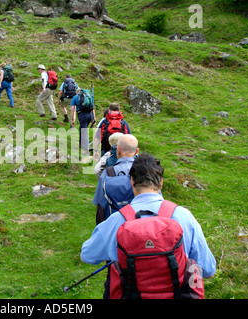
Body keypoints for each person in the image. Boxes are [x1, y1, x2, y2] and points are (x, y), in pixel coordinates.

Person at [81, 153, 217, 298]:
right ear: (161, 183)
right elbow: (208, 270)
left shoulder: (117, 220)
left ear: (132, 182)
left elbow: (87, 255)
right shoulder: (184, 217)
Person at [70, 88, 96, 153]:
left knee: (84, 131)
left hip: (82, 115)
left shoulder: (75, 97)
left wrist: (72, 120)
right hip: (90, 115)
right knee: (83, 128)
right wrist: (93, 119)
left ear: (77, 92)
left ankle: (86, 148)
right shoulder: (89, 97)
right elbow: (92, 108)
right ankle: (81, 143)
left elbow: (72, 109)